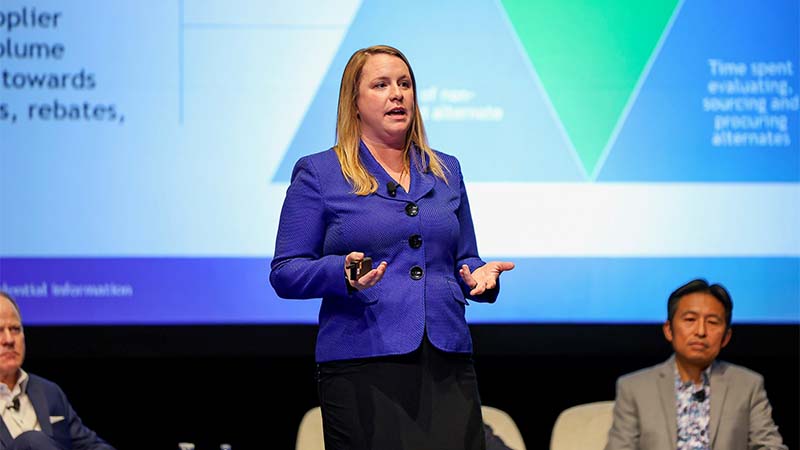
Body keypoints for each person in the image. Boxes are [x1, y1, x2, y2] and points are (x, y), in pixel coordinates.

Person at [270, 44, 514, 450]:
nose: (397, 94)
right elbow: (285, 271)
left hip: (447, 360)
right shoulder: (320, 173)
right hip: (361, 365)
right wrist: (342, 275)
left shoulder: (445, 168)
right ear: (355, 102)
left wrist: (478, 275)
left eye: (404, 84)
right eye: (381, 85)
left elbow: (464, 255)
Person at [604, 279, 786, 450]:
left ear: (726, 337)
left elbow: (770, 445)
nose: (700, 331)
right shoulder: (634, 388)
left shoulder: (748, 385)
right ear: (669, 330)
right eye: (690, 320)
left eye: (712, 322)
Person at [0, 291, 115, 450]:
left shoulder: (48, 392)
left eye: (15, 329)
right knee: (31, 440)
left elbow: (90, 446)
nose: (9, 340)